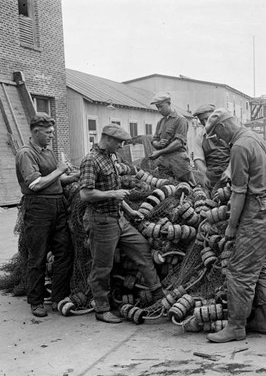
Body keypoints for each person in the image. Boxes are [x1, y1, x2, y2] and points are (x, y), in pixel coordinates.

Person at [204, 108, 266, 343]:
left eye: (217, 135)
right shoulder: (255, 137)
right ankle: (264, 321)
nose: (218, 140)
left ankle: (236, 326)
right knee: (265, 261)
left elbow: (238, 192)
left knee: (239, 270)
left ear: (223, 127)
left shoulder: (238, 146)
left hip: (254, 211)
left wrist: (232, 226)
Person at [79, 124, 164, 323]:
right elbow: (85, 194)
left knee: (142, 248)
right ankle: (102, 309)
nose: (120, 146)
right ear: (107, 139)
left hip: (118, 218)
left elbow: (116, 192)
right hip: (101, 221)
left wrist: (129, 211)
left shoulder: (110, 158)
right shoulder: (91, 161)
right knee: (102, 267)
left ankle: (158, 293)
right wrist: (112, 194)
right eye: (118, 142)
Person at [15, 113, 78, 318]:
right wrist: (60, 170)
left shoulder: (48, 152)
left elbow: (56, 181)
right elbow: (35, 184)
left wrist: (74, 176)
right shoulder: (26, 153)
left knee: (64, 252)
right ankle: (36, 301)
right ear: (35, 132)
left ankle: (59, 297)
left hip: (58, 205)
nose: (51, 135)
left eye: (52, 132)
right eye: (48, 132)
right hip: (38, 208)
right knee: (38, 256)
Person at [148, 91, 196, 186]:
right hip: (164, 161)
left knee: (190, 187)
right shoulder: (160, 122)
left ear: (169, 104)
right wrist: (158, 144)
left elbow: (179, 142)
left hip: (179, 160)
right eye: (157, 107)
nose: (159, 110)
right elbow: (154, 140)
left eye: (161, 106)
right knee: (165, 187)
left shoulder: (180, 120)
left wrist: (160, 152)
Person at [191, 104, 231, 190]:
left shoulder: (227, 131)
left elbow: (237, 154)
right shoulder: (200, 136)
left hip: (231, 174)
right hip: (211, 176)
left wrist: (229, 170)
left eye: (207, 118)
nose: (205, 123)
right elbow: (198, 158)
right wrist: (205, 175)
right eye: (202, 120)